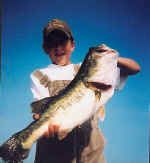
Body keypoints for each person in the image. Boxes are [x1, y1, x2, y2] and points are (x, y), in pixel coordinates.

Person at [30, 18, 140, 163]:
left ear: (73, 45)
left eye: (62, 42)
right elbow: (41, 108)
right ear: (45, 49)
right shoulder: (39, 75)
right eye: (52, 43)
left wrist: (112, 58)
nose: (58, 47)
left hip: (91, 154)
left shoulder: (90, 69)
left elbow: (135, 68)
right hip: (55, 154)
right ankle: (23, 142)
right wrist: (42, 120)